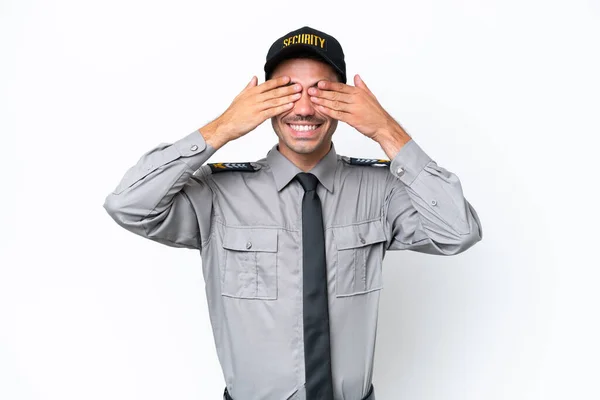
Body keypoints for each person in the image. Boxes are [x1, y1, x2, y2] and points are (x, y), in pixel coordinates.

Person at [103, 26, 483, 400]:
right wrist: (221, 129)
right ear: (262, 100)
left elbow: (458, 231)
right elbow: (129, 206)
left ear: (346, 99)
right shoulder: (217, 194)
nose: (303, 108)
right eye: (286, 93)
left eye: (321, 92)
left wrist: (387, 131)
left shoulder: (380, 191)